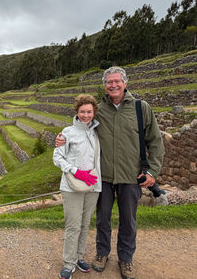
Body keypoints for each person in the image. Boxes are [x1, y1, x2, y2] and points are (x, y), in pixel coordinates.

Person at [55, 66, 164, 279]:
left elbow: (156, 142)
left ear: (125, 83)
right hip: (102, 177)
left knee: (128, 220)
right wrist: (62, 139)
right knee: (102, 219)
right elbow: (81, 127)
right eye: (109, 82)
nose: (113, 85)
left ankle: (125, 259)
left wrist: (152, 171)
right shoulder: (99, 110)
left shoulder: (141, 108)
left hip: (131, 176)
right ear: (104, 85)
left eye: (117, 81)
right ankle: (102, 254)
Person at [53, 94, 102, 279]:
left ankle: (79, 257)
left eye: (89, 111)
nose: (86, 115)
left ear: (94, 112)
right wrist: (75, 171)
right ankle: (68, 263)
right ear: (76, 112)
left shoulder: (98, 131)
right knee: (73, 225)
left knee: (84, 224)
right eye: (82, 111)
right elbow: (57, 157)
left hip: (93, 185)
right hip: (72, 186)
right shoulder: (67, 132)